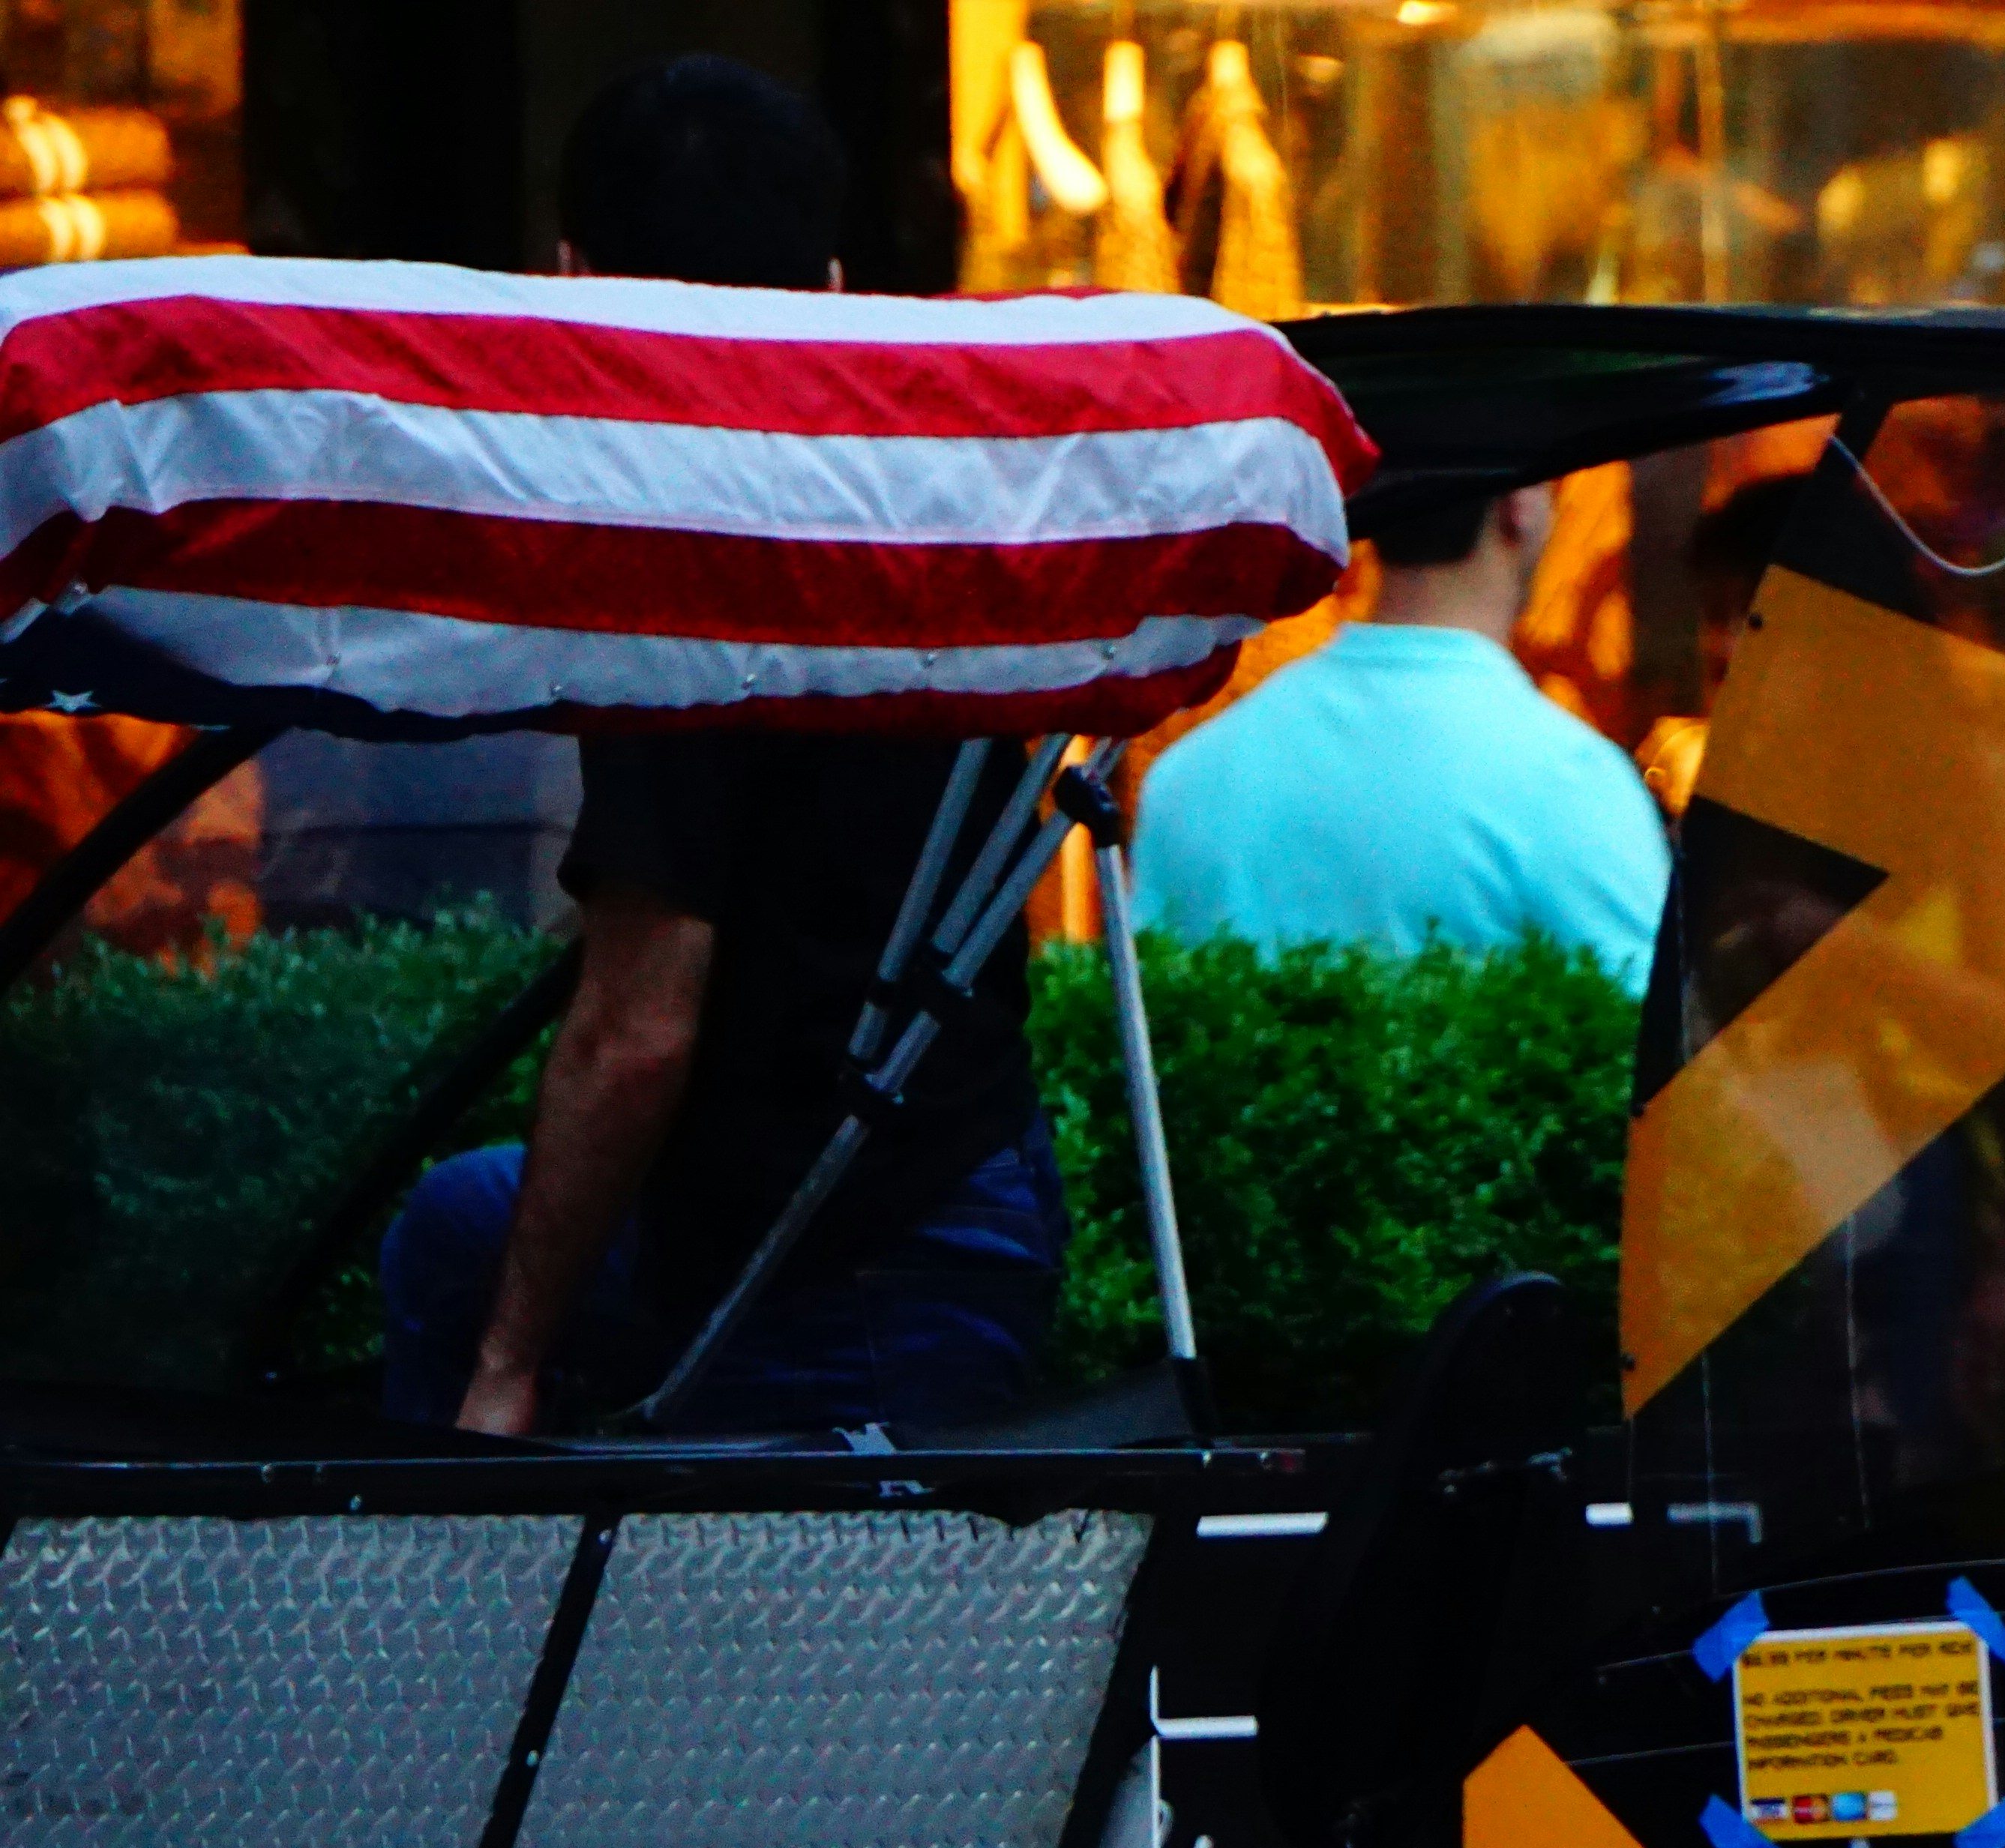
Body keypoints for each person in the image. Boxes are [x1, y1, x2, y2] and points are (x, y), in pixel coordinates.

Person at [384, 55, 1060, 1440]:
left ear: (573, 284)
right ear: (828, 288)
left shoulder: (690, 575)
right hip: (970, 1187)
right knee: (461, 1221)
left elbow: (635, 1034)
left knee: (476, 1300)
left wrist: (504, 1374)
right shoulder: (925, 514)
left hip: (827, 1270)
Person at [1133, 474, 1668, 984]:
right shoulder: (1570, 784)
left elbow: (1140, 1032)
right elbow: (1660, 1051)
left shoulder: (1189, 779)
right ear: (1519, 506)